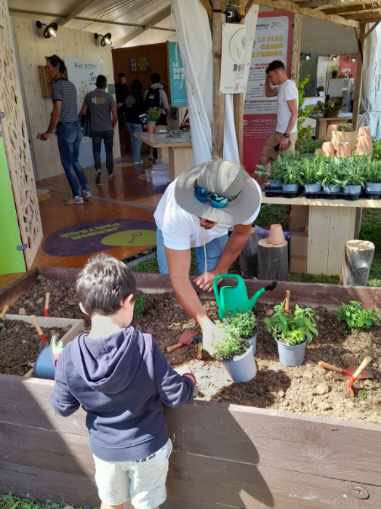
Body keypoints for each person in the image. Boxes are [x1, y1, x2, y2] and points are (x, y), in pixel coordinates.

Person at [51, 253, 195, 509]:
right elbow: (175, 395)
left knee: (110, 502)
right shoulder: (143, 346)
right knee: (146, 505)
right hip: (148, 449)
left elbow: (63, 407)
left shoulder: (70, 355)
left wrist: (61, 367)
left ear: (84, 307)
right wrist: (189, 381)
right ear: (128, 301)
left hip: (106, 452)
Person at [154, 160, 262, 354]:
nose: (204, 220)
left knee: (215, 285)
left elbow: (240, 234)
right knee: (169, 286)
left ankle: (205, 311)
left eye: (214, 217)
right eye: (201, 214)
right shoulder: (176, 214)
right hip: (174, 229)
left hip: (215, 237)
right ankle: (197, 317)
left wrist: (217, 270)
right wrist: (206, 324)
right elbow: (178, 278)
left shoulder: (248, 198)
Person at [38, 54, 90, 205]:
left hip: (66, 129)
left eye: (48, 67)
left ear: (56, 68)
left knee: (67, 164)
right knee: (75, 161)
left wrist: (48, 131)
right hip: (76, 127)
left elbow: (57, 112)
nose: (47, 70)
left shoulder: (57, 86)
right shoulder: (71, 85)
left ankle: (77, 196)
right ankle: (86, 190)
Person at [260, 60, 298, 175]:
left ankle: (289, 189)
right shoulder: (282, 87)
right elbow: (268, 93)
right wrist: (267, 78)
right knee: (265, 156)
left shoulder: (288, 87)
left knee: (288, 167)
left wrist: (286, 136)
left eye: (271, 76)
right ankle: (264, 182)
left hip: (287, 134)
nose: (271, 80)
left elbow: (294, 114)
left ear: (278, 72)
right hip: (278, 132)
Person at [81, 75, 117, 185]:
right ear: (105, 84)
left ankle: (98, 170)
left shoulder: (89, 96)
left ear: (96, 83)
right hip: (108, 129)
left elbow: (83, 112)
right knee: (109, 152)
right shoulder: (109, 97)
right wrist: (112, 126)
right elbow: (115, 116)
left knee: (96, 151)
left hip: (95, 129)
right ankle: (110, 173)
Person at [125, 79, 145, 165]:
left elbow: (126, 108)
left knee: (133, 141)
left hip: (128, 121)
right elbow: (141, 111)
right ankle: (136, 160)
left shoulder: (129, 96)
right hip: (137, 122)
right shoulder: (139, 97)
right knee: (138, 142)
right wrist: (145, 122)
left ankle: (136, 158)